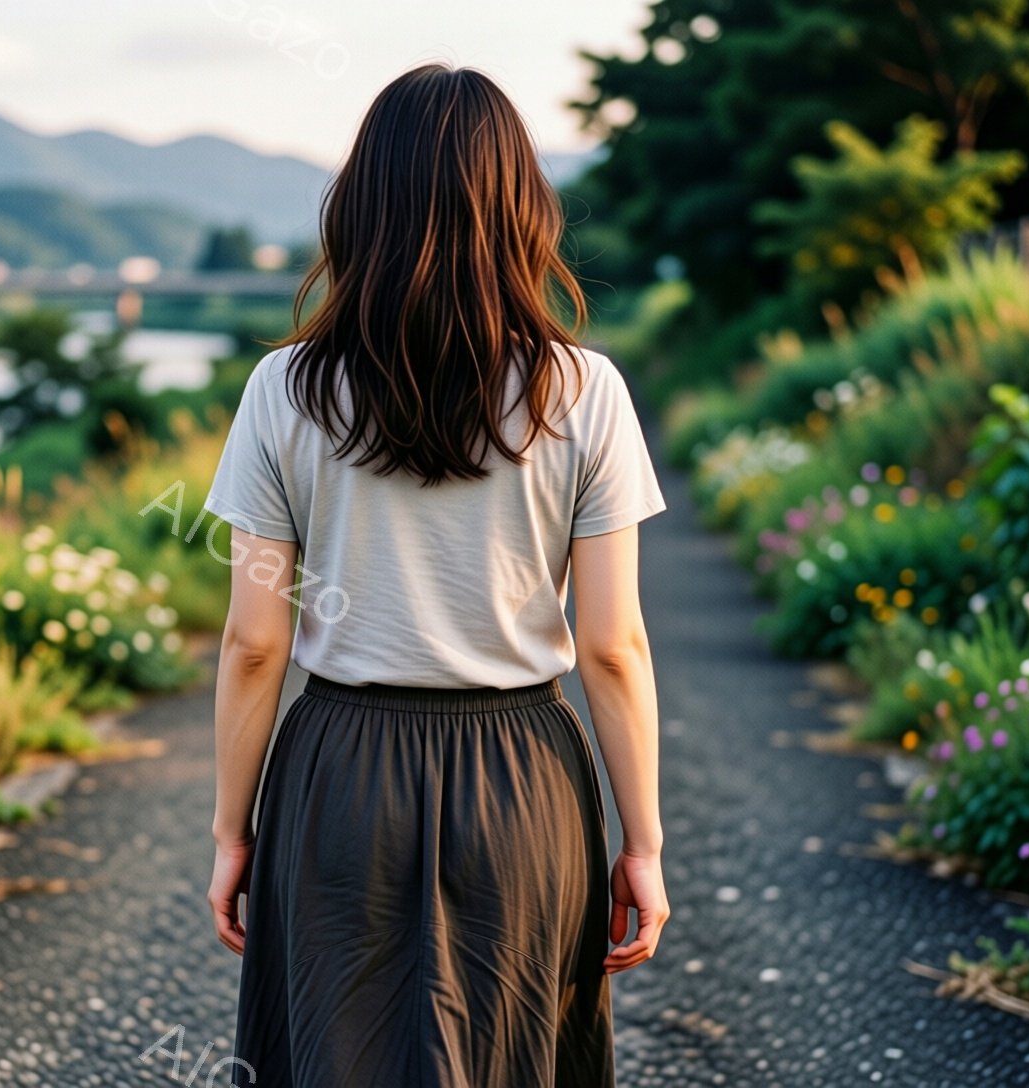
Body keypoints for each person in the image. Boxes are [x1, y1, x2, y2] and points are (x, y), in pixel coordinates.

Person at [201, 63, 670, 1087]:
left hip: (336, 774)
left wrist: (232, 831)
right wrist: (644, 841)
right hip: (526, 777)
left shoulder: (283, 389)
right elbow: (612, 645)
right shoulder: (585, 391)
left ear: (359, 205)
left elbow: (251, 642)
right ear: (520, 209)